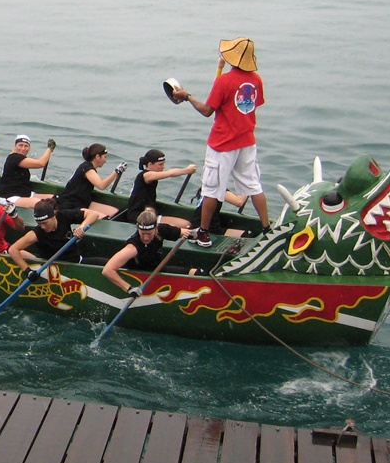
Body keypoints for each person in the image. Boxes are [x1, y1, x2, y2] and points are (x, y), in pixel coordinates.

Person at [171, 37, 271, 247]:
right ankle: (267, 228)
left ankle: (204, 233)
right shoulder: (256, 79)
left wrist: (187, 96)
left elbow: (207, 111)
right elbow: (253, 105)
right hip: (247, 140)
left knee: (211, 189)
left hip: (222, 143)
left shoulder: (224, 81)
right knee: (254, 185)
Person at [8, 197, 105, 274]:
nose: (42, 227)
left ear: (54, 216)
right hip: (55, 272)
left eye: (45, 223)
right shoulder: (36, 234)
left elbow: (93, 214)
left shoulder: (63, 216)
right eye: (39, 223)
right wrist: (27, 271)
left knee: (109, 264)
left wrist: (82, 227)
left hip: (77, 263)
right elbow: (13, 249)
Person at [102, 208, 189, 291]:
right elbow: (107, 270)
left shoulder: (162, 230)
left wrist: (194, 234)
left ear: (156, 228)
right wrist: (129, 288)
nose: (146, 238)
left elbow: (186, 232)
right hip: (139, 273)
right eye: (142, 233)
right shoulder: (133, 247)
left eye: (149, 234)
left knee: (196, 272)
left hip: (157, 269)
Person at [122, 149, 198, 228]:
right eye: (160, 164)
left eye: (163, 164)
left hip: (149, 212)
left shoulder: (151, 176)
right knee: (186, 225)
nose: (163, 167)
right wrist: (187, 170)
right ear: (150, 164)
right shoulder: (146, 176)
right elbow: (170, 173)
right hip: (139, 217)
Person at [58, 143, 121, 215]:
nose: (105, 160)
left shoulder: (87, 166)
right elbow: (101, 185)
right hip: (71, 205)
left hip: (80, 203)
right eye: (105, 157)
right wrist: (116, 172)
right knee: (104, 216)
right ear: (98, 157)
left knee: (114, 211)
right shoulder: (87, 168)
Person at [0, 134, 55, 207]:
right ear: (15, 146)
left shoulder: (22, 158)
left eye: (26, 146)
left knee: (54, 199)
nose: (23, 148)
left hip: (26, 194)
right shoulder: (14, 158)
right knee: (43, 204)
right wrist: (50, 149)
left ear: (29, 148)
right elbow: (41, 163)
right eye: (20, 145)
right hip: (11, 197)